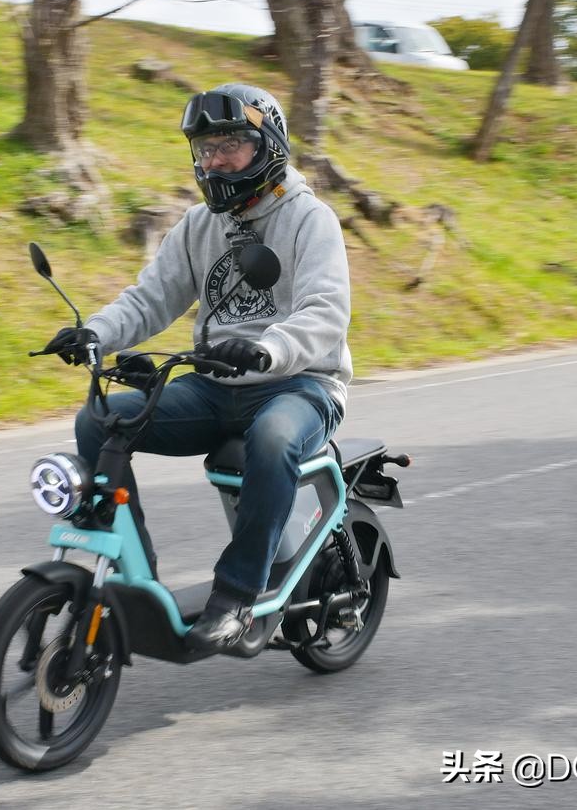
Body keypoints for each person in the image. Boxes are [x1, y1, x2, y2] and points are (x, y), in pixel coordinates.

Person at [42, 83, 353, 652]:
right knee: (100, 419)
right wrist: (95, 333)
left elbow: (324, 313)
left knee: (273, 439)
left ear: (268, 144)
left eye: (230, 144)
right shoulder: (197, 226)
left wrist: (269, 349)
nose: (214, 160)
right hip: (215, 384)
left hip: (300, 382)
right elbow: (150, 299)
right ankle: (134, 576)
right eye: (205, 148)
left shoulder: (311, 220)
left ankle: (239, 597)